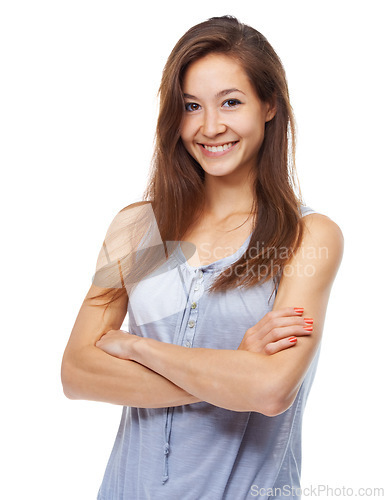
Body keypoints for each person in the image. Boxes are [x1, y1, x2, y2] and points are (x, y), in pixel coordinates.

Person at [61, 15, 344, 500]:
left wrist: (138, 348)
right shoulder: (135, 228)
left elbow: (271, 390)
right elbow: (76, 373)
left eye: (231, 102)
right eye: (191, 106)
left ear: (269, 104)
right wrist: (233, 372)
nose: (210, 127)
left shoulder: (308, 236)